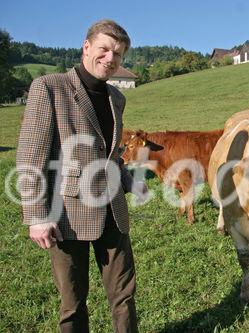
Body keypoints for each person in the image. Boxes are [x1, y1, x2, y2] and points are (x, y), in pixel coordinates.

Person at [16, 19, 147, 333]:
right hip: (66, 214)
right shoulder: (50, 87)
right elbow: (31, 155)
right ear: (86, 47)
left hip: (113, 210)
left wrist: (131, 182)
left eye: (118, 54)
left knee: (124, 295)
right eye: (104, 49)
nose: (110, 58)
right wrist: (36, 215)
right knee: (73, 304)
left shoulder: (117, 98)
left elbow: (110, 153)